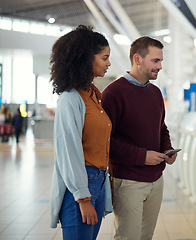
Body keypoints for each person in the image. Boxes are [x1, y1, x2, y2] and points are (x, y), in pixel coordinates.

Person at [101, 36, 177, 240]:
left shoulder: (155, 93)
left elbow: (161, 128)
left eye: (161, 61)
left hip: (156, 180)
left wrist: (167, 149)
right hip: (128, 182)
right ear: (137, 59)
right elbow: (106, 142)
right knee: (128, 237)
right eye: (155, 61)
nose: (160, 66)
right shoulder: (113, 94)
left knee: (146, 236)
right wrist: (142, 156)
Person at [49, 25, 113, 240]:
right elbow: (69, 149)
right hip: (81, 185)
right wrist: (83, 198)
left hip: (98, 179)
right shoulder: (71, 99)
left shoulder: (93, 96)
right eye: (104, 58)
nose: (109, 63)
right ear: (87, 58)